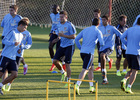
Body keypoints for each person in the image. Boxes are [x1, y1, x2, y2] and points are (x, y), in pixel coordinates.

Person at [75, 18, 104, 95]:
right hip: (89, 53)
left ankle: (91, 87)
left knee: (91, 68)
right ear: (99, 24)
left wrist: (80, 48)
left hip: (82, 52)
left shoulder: (85, 29)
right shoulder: (98, 31)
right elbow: (102, 42)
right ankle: (77, 85)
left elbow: (76, 39)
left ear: (92, 22)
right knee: (85, 70)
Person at [2, 18, 32, 92]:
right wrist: (12, 44)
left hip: (15, 56)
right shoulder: (13, 31)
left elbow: (25, 44)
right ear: (21, 25)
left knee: (15, 73)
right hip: (8, 54)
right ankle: (2, 85)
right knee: (3, 72)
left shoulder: (24, 34)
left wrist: (20, 48)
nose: (25, 29)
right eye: (24, 27)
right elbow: (5, 40)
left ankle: (5, 85)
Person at [53, 10, 76, 84]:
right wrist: (56, 39)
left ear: (66, 17)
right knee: (55, 61)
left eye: (62, 17)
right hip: (62, 45)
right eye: (60, 17)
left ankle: (68, 80)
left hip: (69, 45)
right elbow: (59, 35)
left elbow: (73, 36)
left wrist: (64, 36)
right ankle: (63, 72)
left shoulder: (69, 25)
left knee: (67, 63)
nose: (61, 18)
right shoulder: (58, 25)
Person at [99, 15, 122, 84]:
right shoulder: (100, 28)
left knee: (102, 55)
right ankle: (105, 79)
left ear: (108, 20)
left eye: (104, 20)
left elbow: (120, 34)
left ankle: (106, 64)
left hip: (109, 47)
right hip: (102, 48)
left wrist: (120, 44)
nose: (103, 21)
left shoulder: (112, 28)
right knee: (101, 61)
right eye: (102, 20)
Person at [120, 17, 140, 94]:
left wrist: (126, 44)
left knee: (132, 69)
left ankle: (124, 79)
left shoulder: (130, 29)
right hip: (136, 53)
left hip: (128, 52)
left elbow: (121, 37)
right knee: (135, 71)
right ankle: (129, 87)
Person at [48, 4, 66, 71]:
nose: (52, 10)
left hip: (60, 34)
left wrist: (60, 34)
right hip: (53, 33)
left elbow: (63, 24)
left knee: (58, 50)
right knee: (50, 46)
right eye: (52, 9)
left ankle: (63, 63)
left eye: (54, 9)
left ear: (58, 10)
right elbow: (53, 24)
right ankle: (53, 62)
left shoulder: (61, 16)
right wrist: (51, 31)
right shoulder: (51, 15)